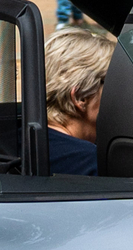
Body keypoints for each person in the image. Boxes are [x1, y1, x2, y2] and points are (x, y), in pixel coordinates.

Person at [42, 24, 116, 175]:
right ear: (81, 96)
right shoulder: (89, 162)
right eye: (113, 83)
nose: (119, 93)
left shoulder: (11, 141)